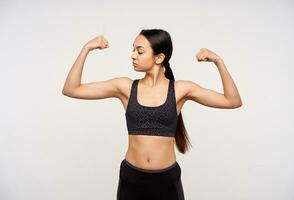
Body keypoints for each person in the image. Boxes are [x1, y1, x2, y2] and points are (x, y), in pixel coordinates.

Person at [62, 28, 242, 200]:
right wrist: (86, 48)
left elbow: (232, 101)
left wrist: (218, 60)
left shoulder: (180, 90)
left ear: (159, 57)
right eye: (133, 50)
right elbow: (71, 89)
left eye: (139, 51)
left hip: (167, 181)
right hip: (131, 179)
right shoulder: (125, 87)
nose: (133, 55)